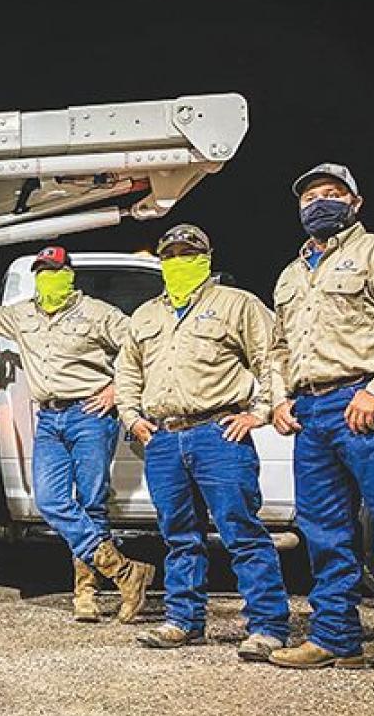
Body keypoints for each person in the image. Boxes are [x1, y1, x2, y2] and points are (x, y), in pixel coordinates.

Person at [264, 163, 374, 693]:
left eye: (332, 194)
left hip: (366, 406)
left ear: (355, 203)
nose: (319, 202)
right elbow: (278, 348)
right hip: (311, 413)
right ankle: (335, 637)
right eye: (310, 196)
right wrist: (280, 398)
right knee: (323, 531)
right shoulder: (291, 276)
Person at [0, 246, 154, 624]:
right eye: (42, 272)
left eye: (54, 271)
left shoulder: (98, 313)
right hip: (49, 418)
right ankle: (125, 571)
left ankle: (87, 594)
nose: (48, 278)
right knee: (49, 501)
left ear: (68, 274)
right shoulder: (24, 314)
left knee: (91, 503)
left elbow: (141, 349)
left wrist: (115, 391)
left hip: (90, 415)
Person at [114, 224, 291, 659]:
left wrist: (260, 413)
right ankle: (183, 621)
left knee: (242, 532)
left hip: (218, 434)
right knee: (178, 536)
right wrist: (132, 417)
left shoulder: (236, 304)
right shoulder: (146, 315)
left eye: (188, 253)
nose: (178, 260)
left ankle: (268, 626)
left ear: (207, 258)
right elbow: (127, 371)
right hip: (164, 439)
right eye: (170, 254)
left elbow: (272, 357)